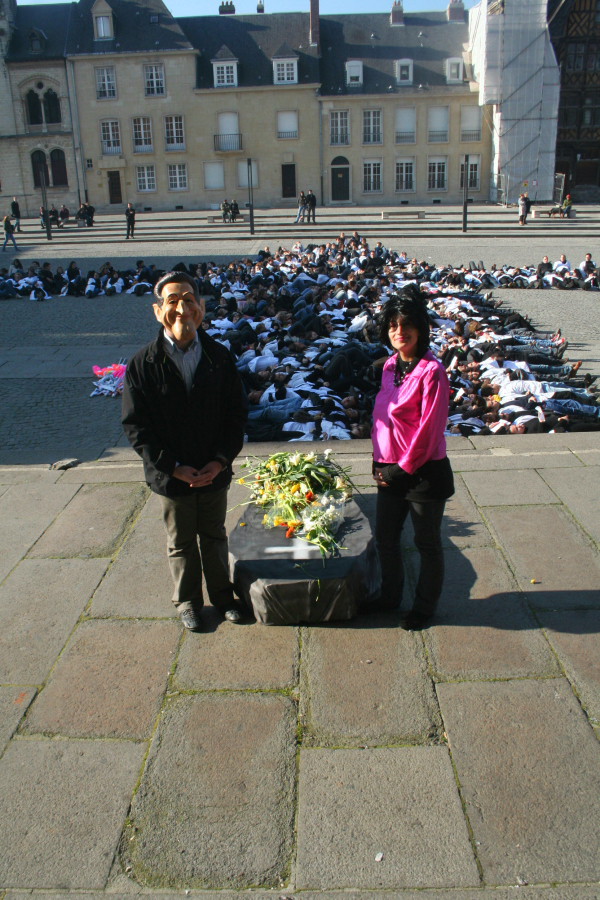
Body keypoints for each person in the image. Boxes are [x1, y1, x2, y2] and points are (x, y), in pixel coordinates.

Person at [122, 270, 248, 632]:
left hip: (213, 469)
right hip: (172, 475)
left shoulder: (219, 357)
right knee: (180, 541)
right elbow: (136, 426)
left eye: (188, 299)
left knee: (213, 536)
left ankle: (223, 598)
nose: (182, 309)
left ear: (202, 308)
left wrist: (220, 460)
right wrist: (172, 466)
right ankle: (189, 602)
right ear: (158, 310)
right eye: (172, 301)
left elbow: (235, 415)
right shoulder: (142, 364)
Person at [371, 293, 454, 630]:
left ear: (420, 329)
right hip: (388, 469)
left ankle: (424, 607)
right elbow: (384, 418)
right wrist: (379, 462)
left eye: (406, 325)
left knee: (427, 543)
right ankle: (390, 597)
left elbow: (428, 430)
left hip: (422, 474)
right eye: (393, 325)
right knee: (386, 538)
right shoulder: (390, 365)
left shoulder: (433, 371)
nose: (399, 331)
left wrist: (400, 469)